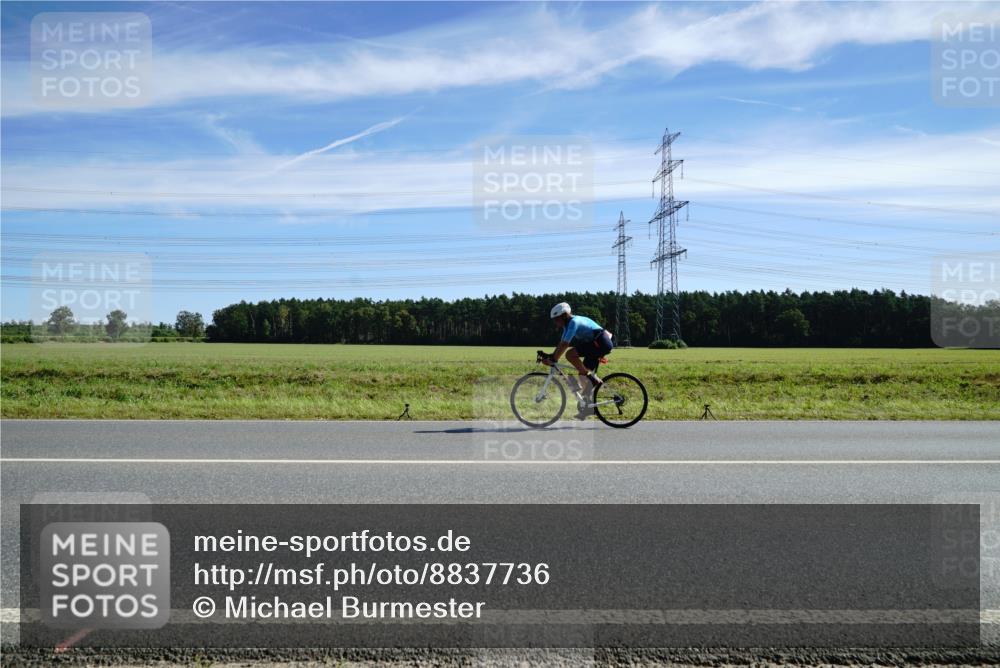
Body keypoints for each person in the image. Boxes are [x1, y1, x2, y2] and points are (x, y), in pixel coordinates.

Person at [541, 302, 614, 418]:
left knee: (570, 355)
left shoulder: (573, 322)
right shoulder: (567, 326)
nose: (555, 323)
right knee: (582, 376)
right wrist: (551, 356)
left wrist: (554, 359)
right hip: (596, 344)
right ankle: (589, 407)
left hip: (601, 342)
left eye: (556, 319)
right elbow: (561, 344)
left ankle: (592, 378)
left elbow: (565, 344)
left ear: (564, 316)